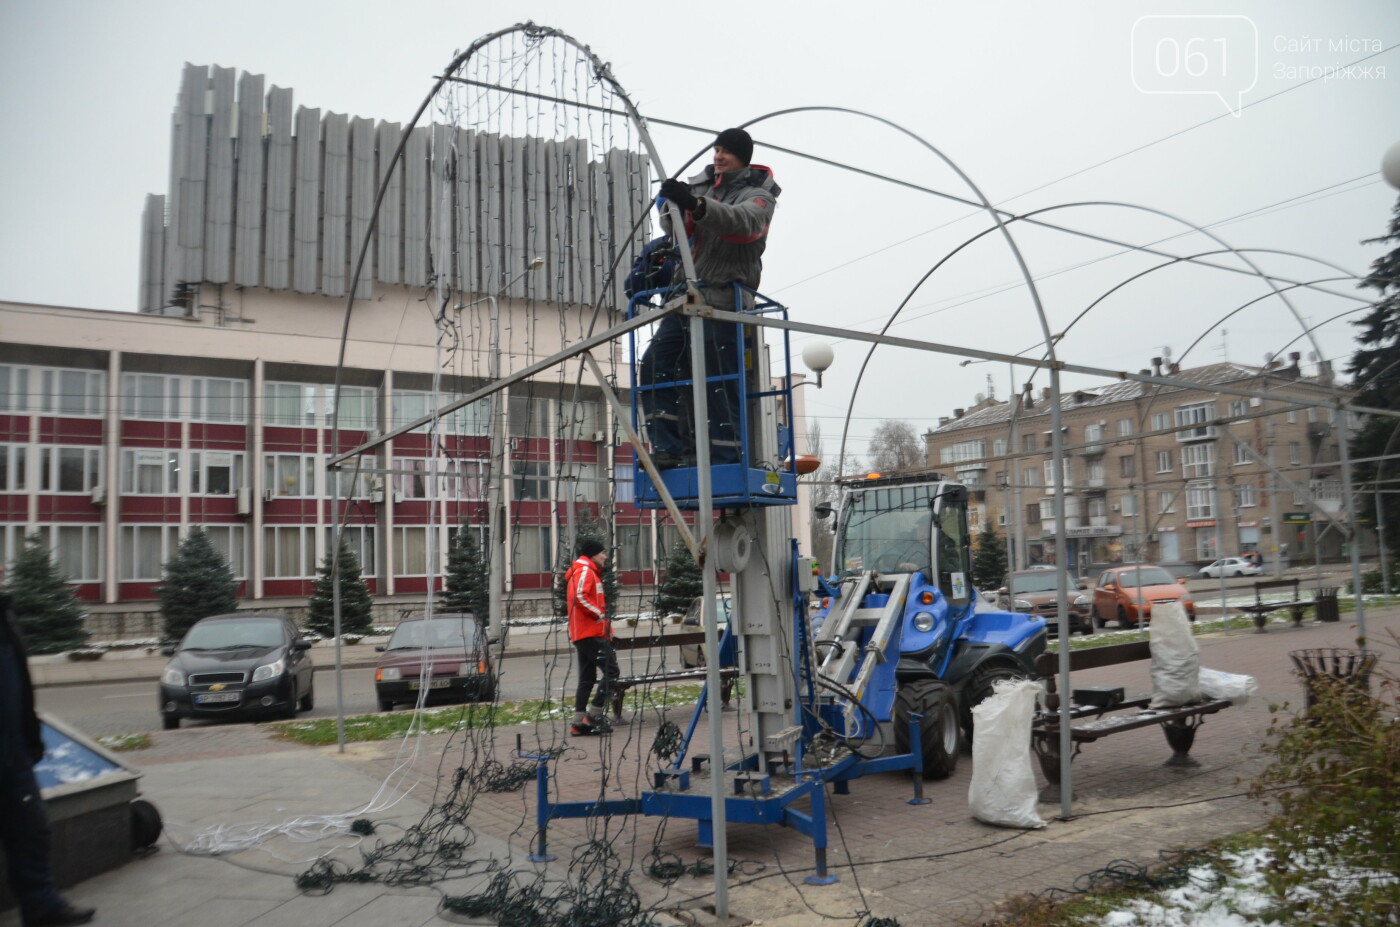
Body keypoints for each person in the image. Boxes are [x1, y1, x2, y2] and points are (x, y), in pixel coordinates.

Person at [638, 127, 781, 469]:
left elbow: (743, 224)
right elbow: (677, 230)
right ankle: (668, 447)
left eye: (726, 151)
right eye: (717, 149)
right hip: (686, 297)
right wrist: (671, 206)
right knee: (655, 365)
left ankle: (725, 458)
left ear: (742, 158)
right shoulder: (701, 186)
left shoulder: (759, 197)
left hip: (723, 302)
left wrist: (695, 204)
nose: (718, 156)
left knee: (718, 385)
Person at [0, 593, 96, 927]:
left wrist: (29, 737)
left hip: (13, 751)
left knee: (31, 830)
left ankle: (41, 905)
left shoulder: (5, 615)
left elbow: (18, 686)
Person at [566, 539, 618, 735]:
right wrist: (599, 615)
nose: (605, 556)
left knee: (587, 678)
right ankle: (592, 717)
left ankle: (578, 724)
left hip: (586, 633)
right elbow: (578, 597)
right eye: (602, 553)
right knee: (612, 672)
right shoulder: (585, 571)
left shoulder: (589, 571)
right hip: (590, 632)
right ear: (593, 554)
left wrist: (607, 630)